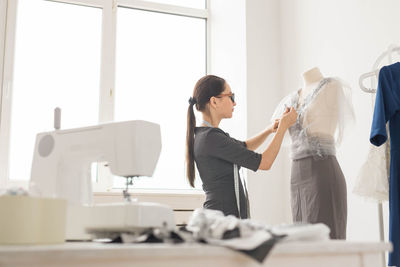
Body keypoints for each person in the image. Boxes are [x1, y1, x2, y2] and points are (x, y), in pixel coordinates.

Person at [186, 75, 297, 219]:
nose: (235, 103)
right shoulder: (211, 138)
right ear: (214, 101)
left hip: (221, 218)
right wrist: (283, 127)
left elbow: (245, 147)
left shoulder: (208, 135)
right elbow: (265, 162)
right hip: (223, 219)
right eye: (231, 97)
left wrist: (270, 130)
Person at [272, 67, 354, 239]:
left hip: (322, 169)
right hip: (296, 176)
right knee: (302, 240)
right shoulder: (291, 99)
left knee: (327, 236)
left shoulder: (331, 87)